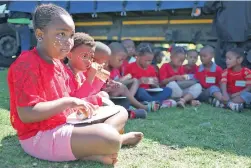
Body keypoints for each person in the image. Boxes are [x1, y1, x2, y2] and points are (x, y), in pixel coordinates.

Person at [7, 4, 142, 165]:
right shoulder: (27, 64)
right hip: (39, 135)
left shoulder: (58, 64)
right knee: (109, 137)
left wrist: (93, 86)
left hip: (65, 123)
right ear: (40, 34)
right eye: (61, 34)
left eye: (71, 35)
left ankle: (94, 145)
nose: (68, 41)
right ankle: (111, 142)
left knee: (120, 111)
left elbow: (77, 96)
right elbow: (27, 114)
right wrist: (69, 102)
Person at [105, 42, 158, 112]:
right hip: (108, 96)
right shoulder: (103, 69)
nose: (121, 63)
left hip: (118, 93)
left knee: (134, 80)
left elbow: (119, 82)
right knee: (125, 87)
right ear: (109, 56)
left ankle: (131, 104)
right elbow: (104, 87)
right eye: (120, 60)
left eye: (123, 60)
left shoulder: (116, 69)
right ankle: (142, 106)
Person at [125, 42, 174, 108]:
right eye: (146, 60)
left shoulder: (151, 68)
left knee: (168, 90)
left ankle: (151, 102)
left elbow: (156, 86)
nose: (148, 63)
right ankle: (157, 103)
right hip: (138, 93)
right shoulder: (130, 67)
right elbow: (126, 86)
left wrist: (155, 84)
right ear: (138, 57)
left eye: (150, 61)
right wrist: (139, 81)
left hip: (149, 92)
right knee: (140, 91)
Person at [221, 48, 251, 112]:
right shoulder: (225, 71)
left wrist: (238, 94)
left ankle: (226, 104)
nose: (226, 61)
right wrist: (224, 94)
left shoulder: (247, 72)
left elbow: (249, 87)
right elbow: (223, 83)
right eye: (226, 59)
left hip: (241, 95)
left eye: (229, 59)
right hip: (229, 94)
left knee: (248, 95)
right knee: (219, 92)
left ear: (239, 60)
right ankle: (233, 105)